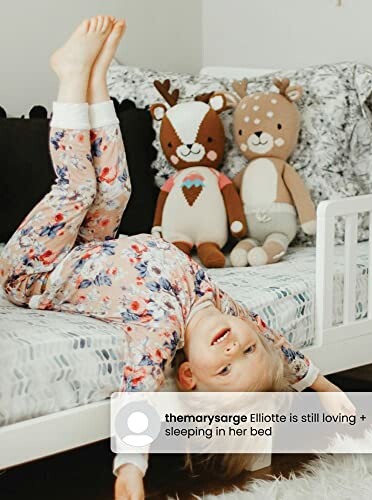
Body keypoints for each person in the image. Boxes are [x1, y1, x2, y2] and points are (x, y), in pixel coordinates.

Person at [0, 16, 353, 500]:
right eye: (248, 351)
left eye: (224, 369)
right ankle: (98, 80)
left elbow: (138, 386)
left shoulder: (161, 325)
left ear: (187, 375)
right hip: (88, 246)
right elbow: (277, 345)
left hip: (34, 270)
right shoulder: (214, 300)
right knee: (116, 192)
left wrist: (130, 467)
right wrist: (325, 390)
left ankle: (68, 77)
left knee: (78, 187)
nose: (234, 350)